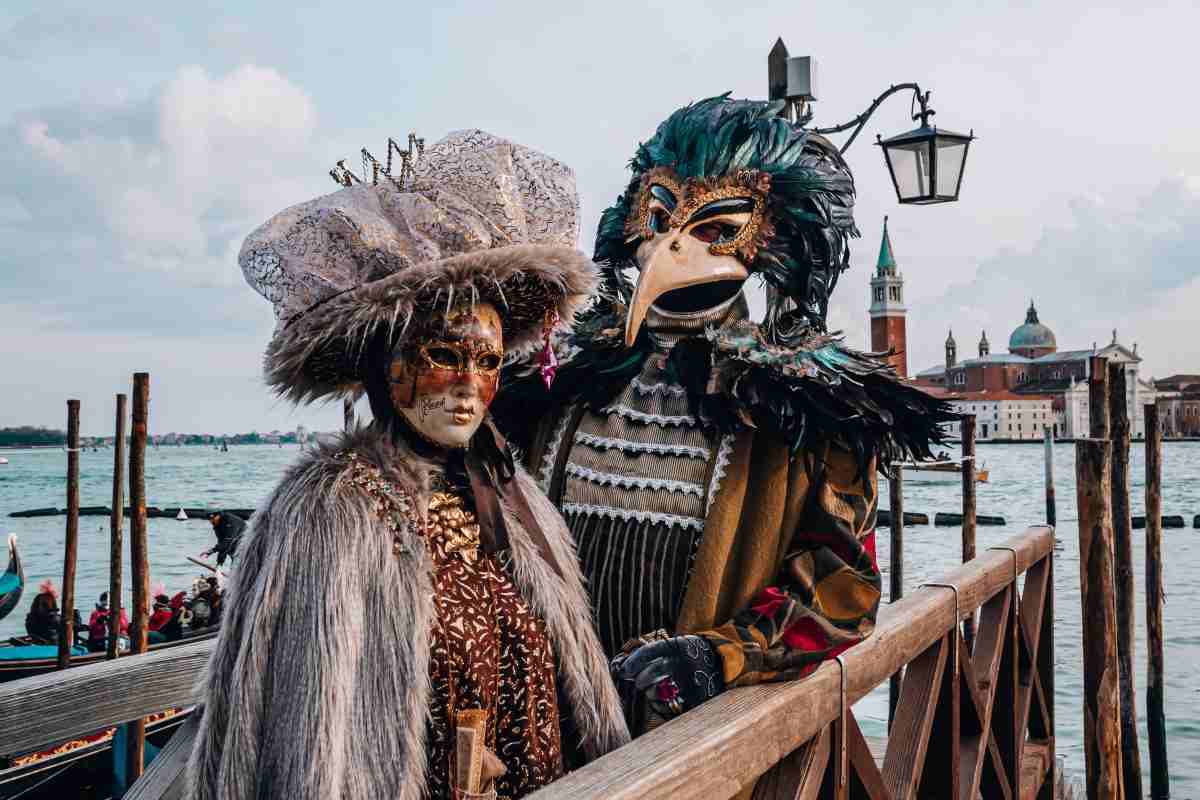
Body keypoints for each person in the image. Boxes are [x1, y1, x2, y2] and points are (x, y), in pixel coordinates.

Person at [493, 96, 955, 751]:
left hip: (692, 746)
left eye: (716, 226)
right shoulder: (552, 378)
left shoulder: (807, 408)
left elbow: (844, 591)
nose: (672, 244)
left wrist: (718, 658)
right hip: (544, 728)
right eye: (660, 216)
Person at [186, 130, 628, 800]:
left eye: (485, 361)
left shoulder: (512, 495)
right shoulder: (332, 511)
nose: (468, 385)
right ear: (382, 363)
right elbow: (309, 728)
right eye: (444, 355)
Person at [25, 579, 60, 644]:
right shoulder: (54, 619)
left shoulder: (30, 619)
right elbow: (70, 627)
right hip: (54, 647)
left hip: (39, 645)